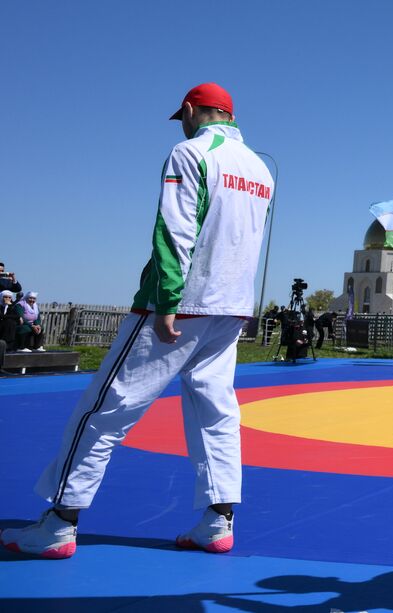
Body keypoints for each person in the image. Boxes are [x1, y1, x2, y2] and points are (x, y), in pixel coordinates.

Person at [0, 82, 272, 558]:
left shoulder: (189, 153)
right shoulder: (261, 169)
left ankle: (60, 522)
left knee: (105, 409)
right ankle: (219, 518)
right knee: (217, 413)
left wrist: (167, 300)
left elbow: (176, 228)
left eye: (183, 116)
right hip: (231, 305)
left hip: (180, 302)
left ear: (191, 110)